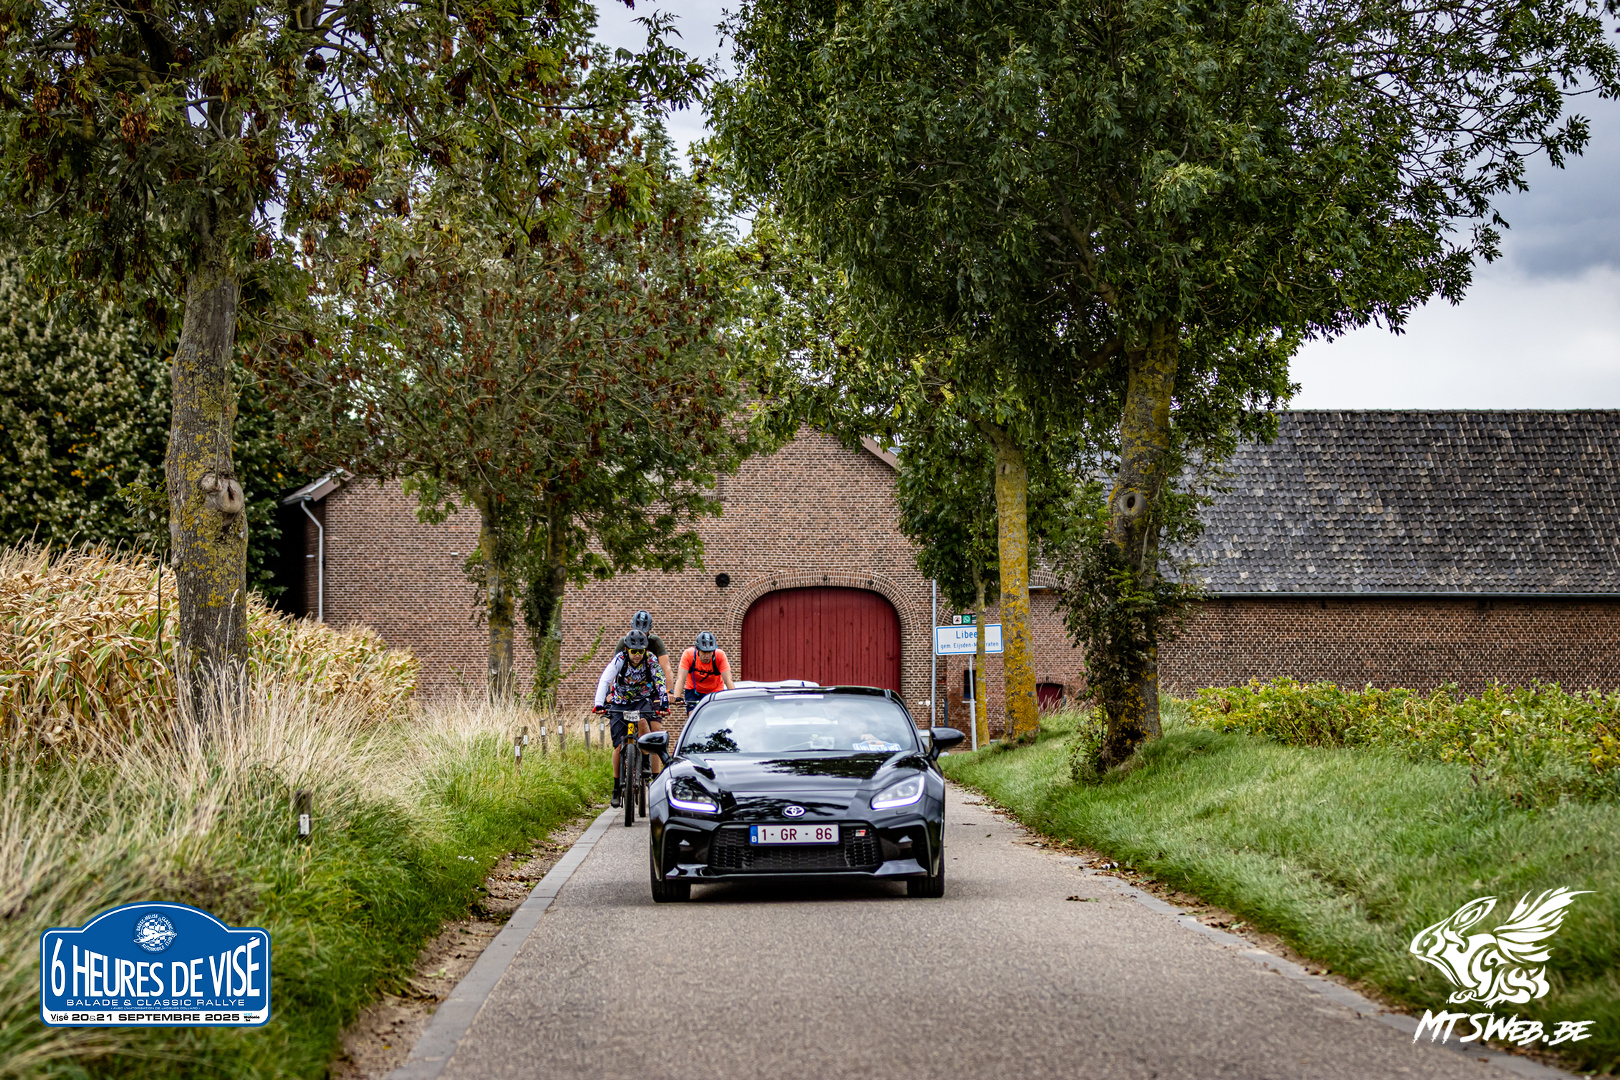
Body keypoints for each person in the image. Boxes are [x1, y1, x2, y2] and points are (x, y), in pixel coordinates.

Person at [593, 629, 670, 808]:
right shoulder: (620, 659)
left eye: (640, 651)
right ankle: (616, 787)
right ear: (627, 650)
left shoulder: (650, 659)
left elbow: (659, 681)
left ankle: (645, 762)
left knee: (643, 722)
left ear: (645, 650)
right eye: (633, 651)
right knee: (619, 746)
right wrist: (599, 703)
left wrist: (664, 703)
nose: (637, 655)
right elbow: (605, 680)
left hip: (642, 700)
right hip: (620, 701)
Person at [673, 631, 734, 709]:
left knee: (716, 713)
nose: (707, 656)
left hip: (715, 690)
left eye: (709, 652)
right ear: (698, 650)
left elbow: (728, 680)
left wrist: (734, 698)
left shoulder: (720, 655)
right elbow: (680, 678)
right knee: (693, 714)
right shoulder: (689, 655)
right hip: (693, 691)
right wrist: (677, 697)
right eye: (704, 652)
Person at [615, 610, 674, 689]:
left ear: (649, 630)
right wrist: (611, 692)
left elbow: (666, 669)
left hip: (648, 685)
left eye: (644, 633)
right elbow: (613, 669)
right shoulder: (623, 642)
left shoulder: (655, 642)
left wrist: (669, 691)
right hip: (626, 685)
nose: (640, 636)